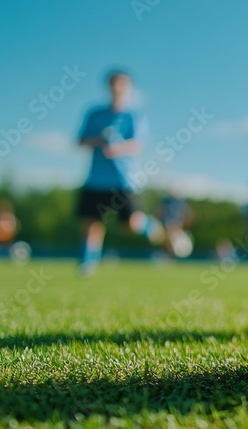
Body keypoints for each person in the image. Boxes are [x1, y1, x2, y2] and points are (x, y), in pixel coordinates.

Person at [75, 69, 163, 276]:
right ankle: (87, 264)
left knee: (130, 225)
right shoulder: (95, 113)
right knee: (91, 224)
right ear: (108, 87)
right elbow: (80, 140)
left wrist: (118, 148)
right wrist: (99, 141)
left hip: (124, 180)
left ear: (129, 88)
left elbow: (138, 144)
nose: (117, 88)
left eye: (122, 84)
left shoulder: (134, 116)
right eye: (113, 84)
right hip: (96, 179)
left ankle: (148, 225)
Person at [158, 192, 194, 258]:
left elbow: (189, 216)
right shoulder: (169, 203)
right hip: (170, 227)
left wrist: (181, 227)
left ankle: (169, 257)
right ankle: (167, 257)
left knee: (170, 242)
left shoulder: (180, 205)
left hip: (175, 227)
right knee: (167, 241)